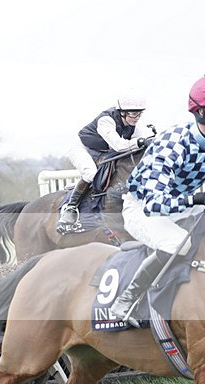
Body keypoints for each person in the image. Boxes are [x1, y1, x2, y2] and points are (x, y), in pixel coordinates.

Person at [109, 76, 205, 326]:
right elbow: (154, 204)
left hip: (181, 205)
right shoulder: (173, 144)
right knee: (177, 244)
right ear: (202, 113)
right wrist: (195, 198)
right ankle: (126, 300)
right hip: (143, 208)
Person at [58, 93, 155, 232]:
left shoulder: (133, 125)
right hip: (81, 148)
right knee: (91, 173)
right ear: (122, 112)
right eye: (134, 113)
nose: (137, 117)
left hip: (101, 151)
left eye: (139, 114)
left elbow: (138, 144)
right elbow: (120, 145)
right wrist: (140, 142)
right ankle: (70, 207)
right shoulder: (106, 120)